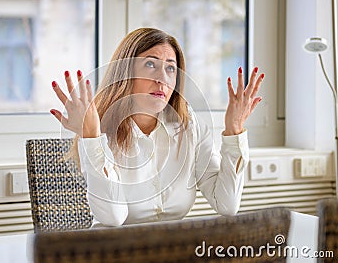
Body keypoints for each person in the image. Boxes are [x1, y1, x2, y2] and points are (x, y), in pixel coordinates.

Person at [50, 27, 264, 227]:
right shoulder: (99, 131)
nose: (162, 78)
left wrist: (234, 130)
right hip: (112, 250)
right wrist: (91, 137)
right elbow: (114, 218)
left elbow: (227, 204)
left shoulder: (190, 126)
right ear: (126, 72)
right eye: (151, 64)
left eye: (170, 68)